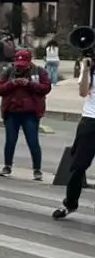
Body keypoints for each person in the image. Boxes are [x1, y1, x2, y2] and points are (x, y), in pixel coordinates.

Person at [0, 48, 51, 180]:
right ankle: (7, 165)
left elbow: (46, 87)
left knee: (33, 141)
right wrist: (12, 83)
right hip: (12, 112)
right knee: (10, 140)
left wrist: (29, 84)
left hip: (30, 113)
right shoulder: (9, 71)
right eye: (18, 64)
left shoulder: (38, 71)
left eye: (23, 65)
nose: (20, 68)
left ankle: (37, 169)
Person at [54, 56, 93, 220]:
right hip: (90, 120)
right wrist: (86, 69)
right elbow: (83, 92)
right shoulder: (91, 69)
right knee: (78, 165)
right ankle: (70, 204)